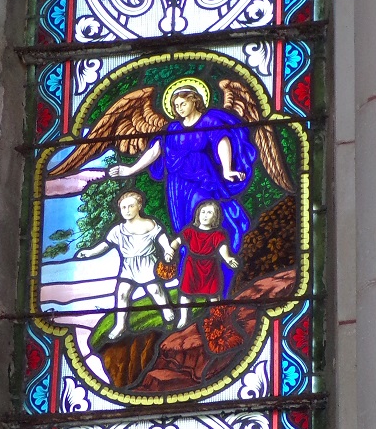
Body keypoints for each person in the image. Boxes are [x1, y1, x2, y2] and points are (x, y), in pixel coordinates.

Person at [107, 81, 257, 289]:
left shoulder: (209, 121)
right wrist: (131, 170)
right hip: (178, 186)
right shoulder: (173, 128)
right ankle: (190, 278)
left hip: (203, 181)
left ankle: (219, 274)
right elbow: (155, 151)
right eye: (176, 106)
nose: (179, 108)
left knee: (205, 220)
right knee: (185, 227)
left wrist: (227, 169)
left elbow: (222, 141)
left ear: (195, 101)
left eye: (183, 103)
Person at [75, 190, 175, 341]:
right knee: (122, 294)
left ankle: (167, 311)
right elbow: (105, 245)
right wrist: (90, 252)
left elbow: (161, 237)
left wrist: (167, 249)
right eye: (123, 207)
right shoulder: (118, 230)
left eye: (130, 206)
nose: (127, 210)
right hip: (128, 266)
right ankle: (120, 325)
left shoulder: (149, 224)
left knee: (155, 290)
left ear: (139, 206)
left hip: (147, 263)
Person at [170, 200, 239, 328]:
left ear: (215, 216)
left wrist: (228, 258)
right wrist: (171, 250)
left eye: (209, 213)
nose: (205, 215)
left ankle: (217, 317)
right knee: (186, 292)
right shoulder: (190, 231)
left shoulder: (218, 234)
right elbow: (177, 242)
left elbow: (222, 249)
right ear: (198, 214)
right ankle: (183, 318)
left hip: (210, 266)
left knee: (214, 294)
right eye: (203, 212)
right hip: (192, 266)